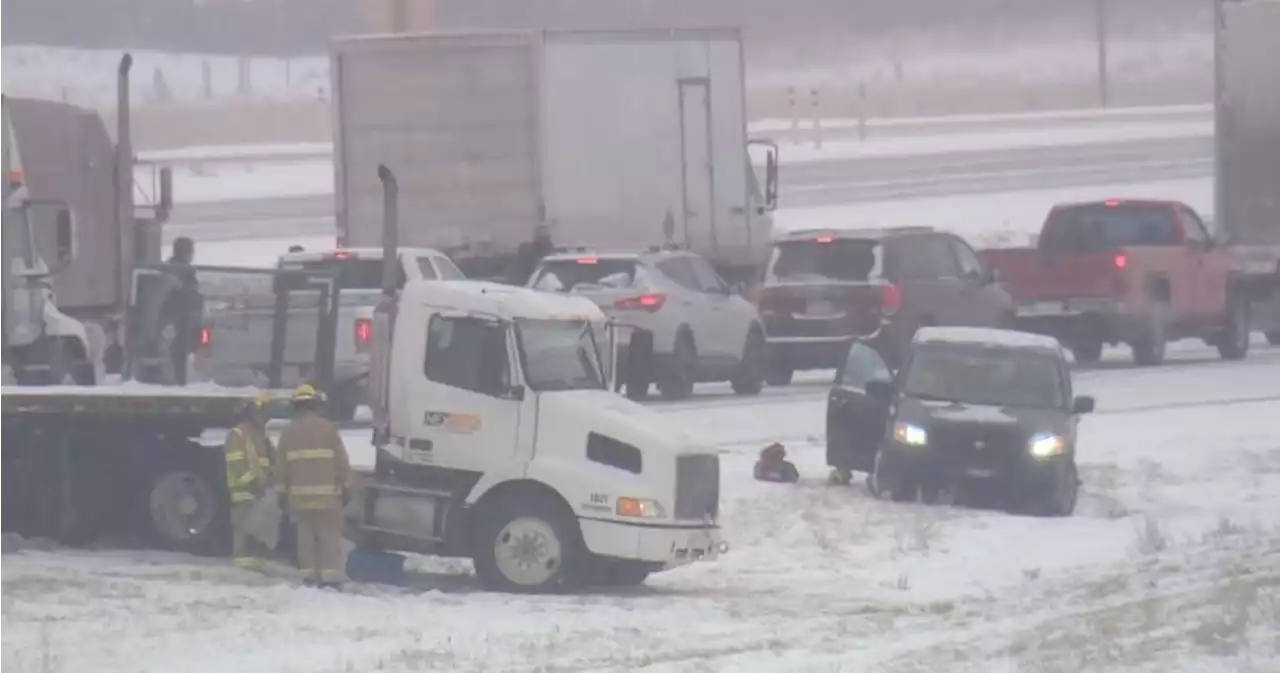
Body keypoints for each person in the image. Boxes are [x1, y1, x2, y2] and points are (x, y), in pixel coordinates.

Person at [275, 384, 351, 588]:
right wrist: (346, 486)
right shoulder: (328, 429)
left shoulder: (288, 433)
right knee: (328, 536)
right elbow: (342, 462)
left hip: (300, 497)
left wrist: (281, 494)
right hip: (328, 497)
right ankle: (330, 578)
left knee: (305, 537)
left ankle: (309, 577)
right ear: (315, 405)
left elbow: (281, 466)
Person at [223, 395, 274, 569]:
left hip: (259, 489)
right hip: (243, 488)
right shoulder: (238, 434)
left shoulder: (261, 436)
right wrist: (254, 480)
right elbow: (236, 463)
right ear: (251, 414)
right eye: (261, 414)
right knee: (242, 522)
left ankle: (252, 555)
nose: (265, 419)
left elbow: (270, 460)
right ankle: (240, 556)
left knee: (255, 524)